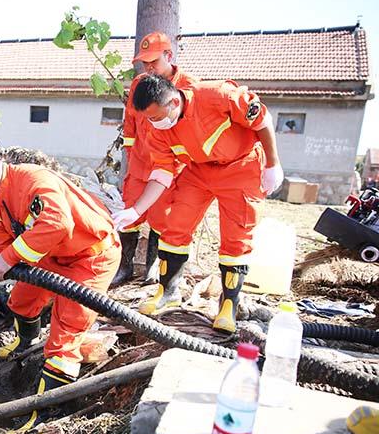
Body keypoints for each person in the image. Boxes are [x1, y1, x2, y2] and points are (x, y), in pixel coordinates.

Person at [0, 143, 120, 428]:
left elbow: (58, 223)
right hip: (54, 257)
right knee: (20, 301)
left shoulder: (33, 180)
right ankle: (25, 341)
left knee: (64, 340)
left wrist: (9, 258)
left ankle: (42, 418)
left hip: (90, 256)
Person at [112, 75, 284, 333]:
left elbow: (262, 120)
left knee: (236, 239)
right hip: (199, 170)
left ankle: (229, 305)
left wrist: (272, 163)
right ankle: (168, 291)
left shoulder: (219, 96)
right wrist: (136, 210)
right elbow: (161, 173)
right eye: (149, 118)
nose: (154, 124)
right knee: (175, 227)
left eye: (157, 117)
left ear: (172, 101)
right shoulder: (158, 130)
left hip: (241, 166)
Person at [112, 31, 199, 286]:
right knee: (130, 214)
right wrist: (131, 154)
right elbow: (130, 124)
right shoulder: (140, 83)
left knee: (162, 218)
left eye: (154, 61)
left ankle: (152, 268)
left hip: (171, 167)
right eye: (145, 63)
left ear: (169, 56)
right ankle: (123, 267)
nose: (149, 67)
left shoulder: (189, 85)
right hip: (140, 165)